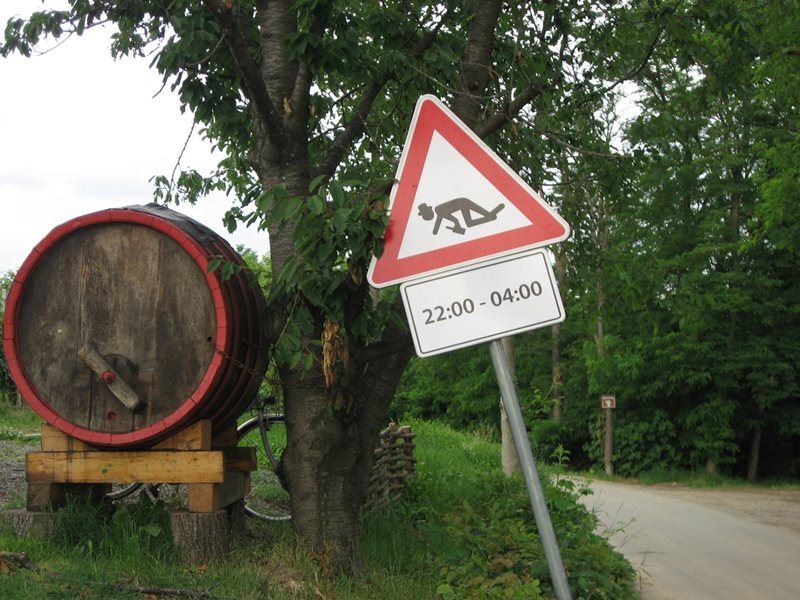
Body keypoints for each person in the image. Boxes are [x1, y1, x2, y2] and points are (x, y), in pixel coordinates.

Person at [417, 198, 505, 235]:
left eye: (426, 215)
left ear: (429, 211)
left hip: (463, 203)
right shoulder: (439, 212)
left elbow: (454, 220)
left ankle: (490, 216)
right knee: (469, 224)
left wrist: (457, 228)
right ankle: (490, 217)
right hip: (463, 204)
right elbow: (438, 224)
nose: (427, 217)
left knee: (482, 217)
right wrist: (457, 228)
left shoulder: (439, 211)